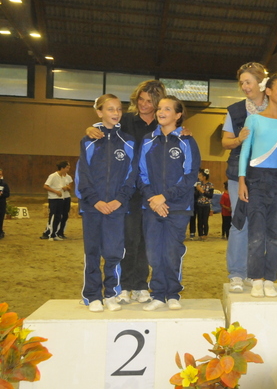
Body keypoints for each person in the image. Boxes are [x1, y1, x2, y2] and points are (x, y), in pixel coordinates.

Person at [86, 80, 168, 305]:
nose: (143, 104)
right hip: (129, 189)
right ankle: (124, 285)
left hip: (152, 190)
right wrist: (90, 128)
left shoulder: (162, 124)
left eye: (149, 102)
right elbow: (107, 126)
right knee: (128, 239)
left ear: (158, 103)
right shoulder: (127, 120)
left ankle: (141, 284)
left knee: (146, 241)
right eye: (140, 99)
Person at [138, 96, 201, 311]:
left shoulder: (187, 141)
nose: (161, 112)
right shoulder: (148, 141)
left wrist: (164, 197)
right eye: (159, 108)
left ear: (178, 115)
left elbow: (190, 176)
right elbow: (141, 174)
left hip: (178, 207)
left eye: (167, 108)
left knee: (172, 252)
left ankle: (173, 293)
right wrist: (154, 200)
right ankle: (157, 294)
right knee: (154, 253)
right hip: (152, 207)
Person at [76, 94, 137, 313]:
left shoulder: (129, 142)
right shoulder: (88, 140)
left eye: (119, 109)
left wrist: (118, 200)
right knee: (92, 251)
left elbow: (132, 175)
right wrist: (95, 201)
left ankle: (111, 292)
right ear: (99, 112)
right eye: (110, 109)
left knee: (113, 252)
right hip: (92, 207)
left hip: (116, 207)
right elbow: (83, 174)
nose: (115, 113)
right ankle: (92, 295)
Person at [238, 74, 277, 298]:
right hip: (255, 180)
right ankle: (256, 278)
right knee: (256, 233)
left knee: (274, 233)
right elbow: (246, 151)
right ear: (269, 91)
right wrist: (242, 180)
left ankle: (270, 278)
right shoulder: (254, 119)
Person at [222, 62, 268, 293]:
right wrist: (239, 139)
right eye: (241, 83)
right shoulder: (234, 110)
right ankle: (237, 273)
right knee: (240, 221)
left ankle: (255, 271)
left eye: (248, 82)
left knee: (263, 223)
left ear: (261, 82)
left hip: (269, 174)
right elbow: (225, 142)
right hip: (238, 174)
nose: (244, 86)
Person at [41, 161, 72, 241]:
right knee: (54, 216)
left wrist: (66, 188)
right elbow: (45, 186)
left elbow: (69, 186)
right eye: (67, 168)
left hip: (62, 198)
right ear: (62, 168)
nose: (68, 169)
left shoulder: (65, 177)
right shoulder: (53, 176)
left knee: (60, 216)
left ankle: (56, 233)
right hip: (54, 198)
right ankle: (50, 233)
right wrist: (56, 191)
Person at [192, 169, 214, 241]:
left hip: (206, 205)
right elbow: (196, 195)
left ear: (204, 177)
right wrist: (197, 190)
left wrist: (201, 191)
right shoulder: (198, 185)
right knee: (199, 220)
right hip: (199, 204)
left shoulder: (210, 185)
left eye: (200, 175)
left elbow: (210, 195)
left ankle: (205, 234)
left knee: (205, 220)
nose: (199, 177)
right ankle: (200, 234)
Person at [0, 168, 9, 239]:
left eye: (0, 174)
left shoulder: (4, 184)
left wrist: (2, 195)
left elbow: (7, 194)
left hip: (1, 204)